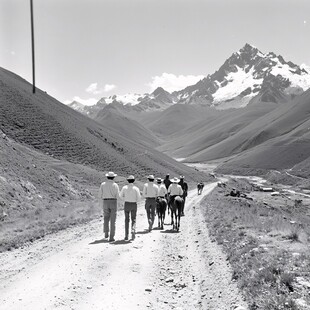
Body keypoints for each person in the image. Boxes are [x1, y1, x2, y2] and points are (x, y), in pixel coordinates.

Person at [98, 171, 120, 242]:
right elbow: (117, 195)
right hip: (113, 201)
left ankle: (106, 233)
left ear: (107, 177)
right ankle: (111, 236)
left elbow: (99, 195)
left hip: (105, 201)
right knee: (113, 220)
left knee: (106, 218)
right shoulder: (115, 185)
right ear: (113, 177)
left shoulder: (103, 184)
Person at [119, 175, 141, 241]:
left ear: (127, 180)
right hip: (134, 204)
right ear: (133, 181)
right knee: (133, 219)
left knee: (126, 219)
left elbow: (120, 196)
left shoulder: (124, 188)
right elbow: (139, 198)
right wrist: (135, 200)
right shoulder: (136, 188)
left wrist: (125, 199)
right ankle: (133, 230)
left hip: (127, 204)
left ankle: (126, 235)